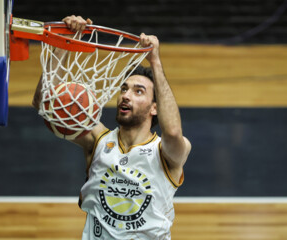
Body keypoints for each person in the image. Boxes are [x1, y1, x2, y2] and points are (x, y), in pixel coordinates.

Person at [33, 15, 191, 240]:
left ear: (155, 108)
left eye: (138, 91)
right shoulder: (98, 140)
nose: (126, 95)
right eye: (124, 89)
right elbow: (45, 103)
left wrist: (155, 62)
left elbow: (173, 132)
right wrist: (69, 41)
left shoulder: (166, 153)